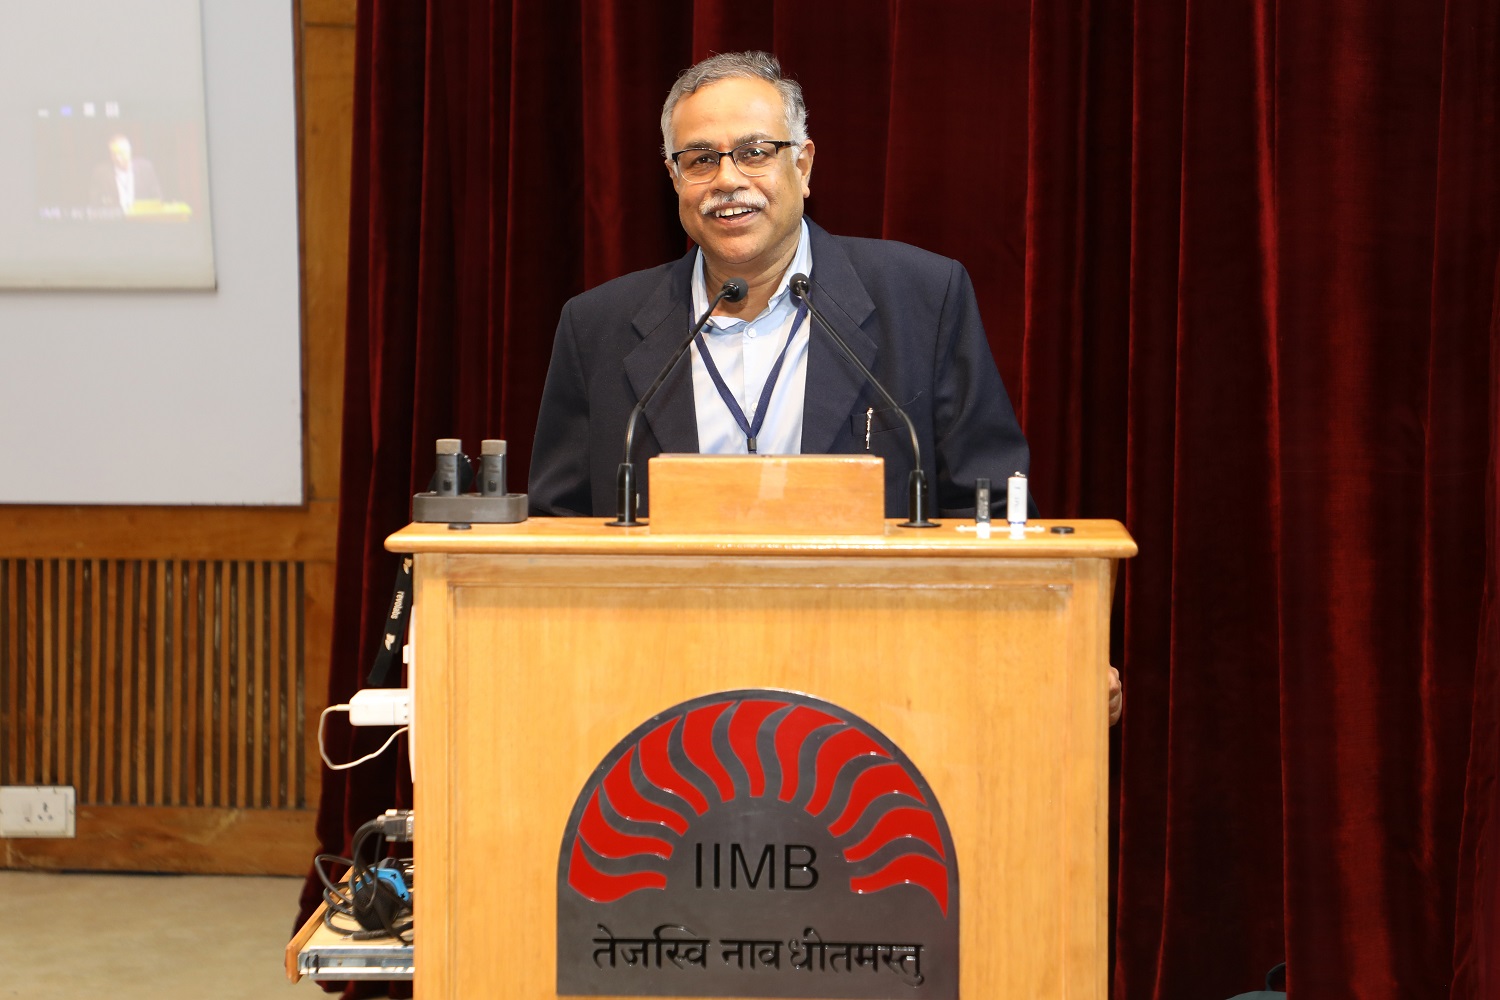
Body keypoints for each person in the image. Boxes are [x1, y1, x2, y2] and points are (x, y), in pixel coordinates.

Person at [528, 50, 1122, 724]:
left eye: (755, 151)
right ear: (673, 177)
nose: (728, 180)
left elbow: (982, 511)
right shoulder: (598, 328)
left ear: (803, 165)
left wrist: (1044, 645)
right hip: (660, 701)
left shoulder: (922, 300)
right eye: (699, 159)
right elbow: (558, 534)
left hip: (881, 697)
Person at [89, 134, 162, 211]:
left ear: (129, 151)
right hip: (114, 221)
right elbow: (95, 204)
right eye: (113, 154)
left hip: (142, 218)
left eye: (121, 153)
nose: (117, 158)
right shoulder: (101, 173)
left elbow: (157, 199)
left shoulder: (145, 169)